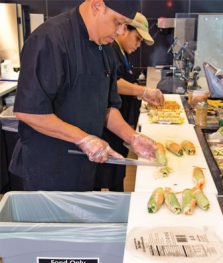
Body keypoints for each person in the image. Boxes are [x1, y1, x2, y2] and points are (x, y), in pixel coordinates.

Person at [10, 0, 156, 191]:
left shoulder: (107, 49)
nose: (121, 31)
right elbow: (29, 112)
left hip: (84, 169)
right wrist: (83, 139)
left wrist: (132, 137)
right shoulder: (50, 39)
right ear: (97, 6)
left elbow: (106, 108)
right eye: (117, 22)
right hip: (45, 172)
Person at [95, 12, 163, 191]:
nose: (138, 45)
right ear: (124, 29)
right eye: (138, 39)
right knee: (109, 176)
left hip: (120, 125)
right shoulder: (111, 50)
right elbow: (114, 84)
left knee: (118, 175)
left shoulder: (121, 53)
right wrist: (144, 91)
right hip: (110, 126)